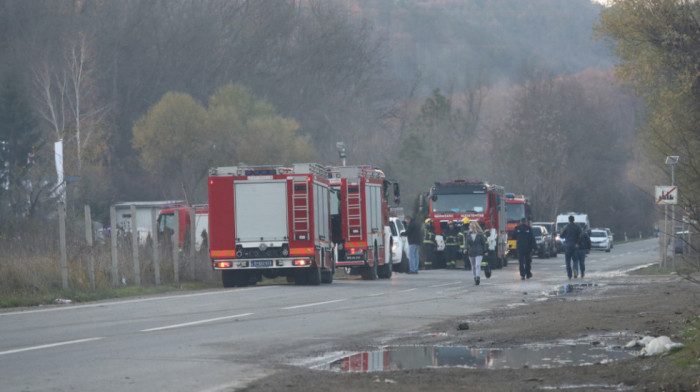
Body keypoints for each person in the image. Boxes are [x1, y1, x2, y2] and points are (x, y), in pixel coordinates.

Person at [560, 215, 582, 279]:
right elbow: (580, 236)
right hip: (575, 245)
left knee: (568, 261)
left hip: (567, 245)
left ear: (569, 220)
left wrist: (566, 237)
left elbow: (561, 235)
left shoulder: (566, 227)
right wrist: (578, 243)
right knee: (575, 260)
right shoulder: (577, 227)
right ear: (574, 220)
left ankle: (569, 275)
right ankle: (575, 269)